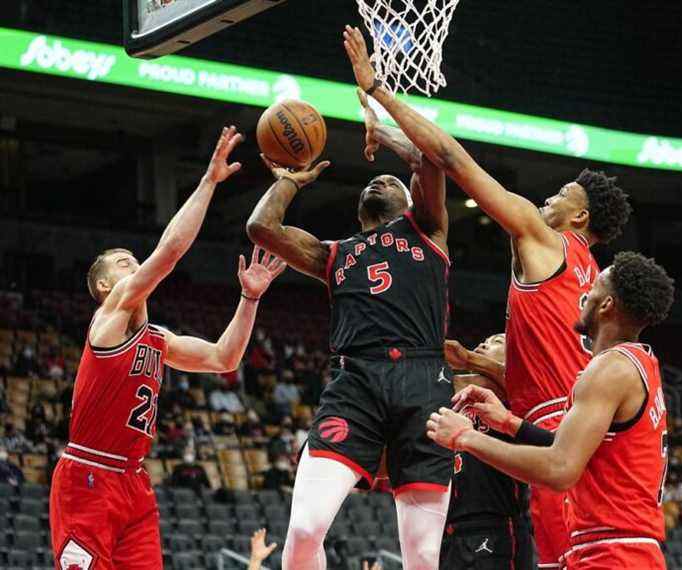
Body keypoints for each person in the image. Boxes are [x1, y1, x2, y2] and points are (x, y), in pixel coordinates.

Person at [343, 25, 632, 570]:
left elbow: (452, 160)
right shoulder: (592, 277)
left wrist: (379, 89)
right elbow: (548, 350)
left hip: (548, 435)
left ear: (580, 217)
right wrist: (388, 138)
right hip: (575, 434)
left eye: (560, 194)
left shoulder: (545, 239)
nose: (547, 197)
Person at [49, 126, 287, 570]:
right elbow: (170, 252)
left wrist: (249, 298)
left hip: (135, 483)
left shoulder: (159, 340)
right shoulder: (108, 319)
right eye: (124, 264)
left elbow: (224, 358)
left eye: (134, 260)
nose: (135, 265)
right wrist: (208, 182)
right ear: (104, 286)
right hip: (88, 477)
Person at [247, 91, 452, 570]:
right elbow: (261, 226)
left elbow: (428, 156)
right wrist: (289, 181)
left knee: (423, 556)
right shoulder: (334, 253)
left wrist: (380, 131)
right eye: (375, 179)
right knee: (303, 529)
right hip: (355, 382)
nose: (379, 178)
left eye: (391, 179)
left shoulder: (428, 227)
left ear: (409, 200)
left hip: (423, 383)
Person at [427, 252, 675, 569]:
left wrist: (465, 437)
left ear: (606, 305)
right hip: (614, 549)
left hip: (613, 553)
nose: (582, 297)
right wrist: (509, 423)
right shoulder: (637, 364)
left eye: (592, 291)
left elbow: (559, 469)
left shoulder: (611, 368)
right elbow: (569, 448)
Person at [441, 334, 532, 570]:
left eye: (496, 342)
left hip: (496, 524)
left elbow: (513, 379)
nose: (483, 344)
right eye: (483, 341)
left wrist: (470, 358)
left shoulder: (516, 394)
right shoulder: (454, 399)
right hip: (448, 528)